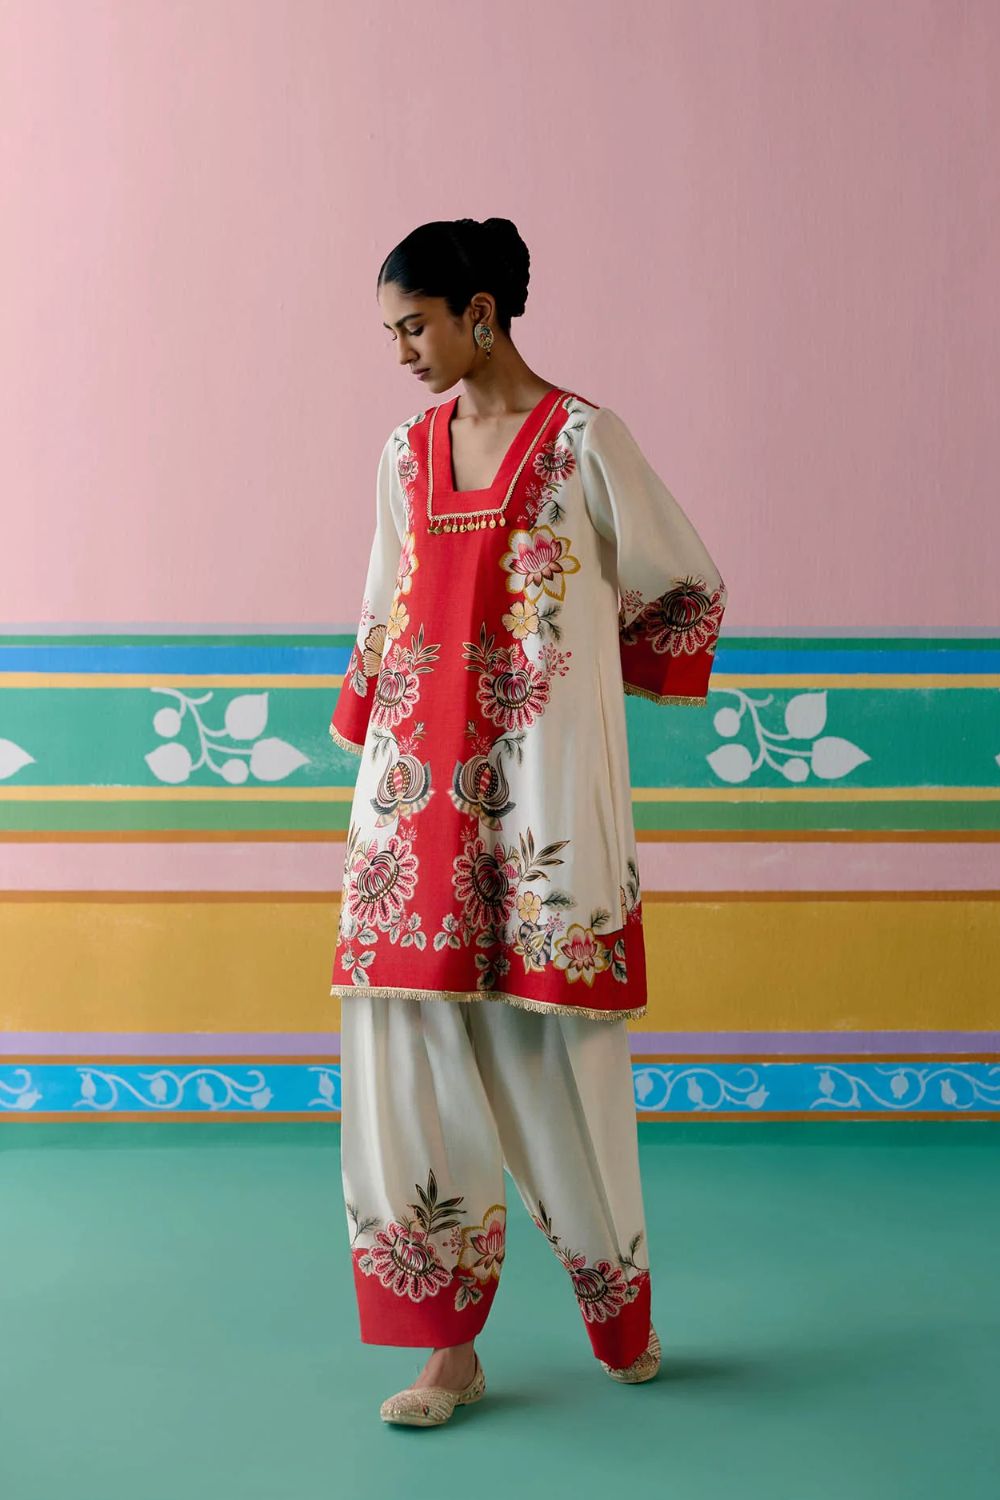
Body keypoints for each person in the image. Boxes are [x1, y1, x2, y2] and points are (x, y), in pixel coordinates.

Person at [328, 217, 728, 1426]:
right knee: (404, 1057)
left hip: (541, 810)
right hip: (409, 805)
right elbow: (383, 609)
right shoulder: (403, 456)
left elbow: (682, 583)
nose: (401, 351)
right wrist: (383, 734)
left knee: (564, 1058)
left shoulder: (584, 442)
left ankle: (619, 1317)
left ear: (480, 313)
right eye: (391, 333)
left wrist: (575, 692)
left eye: (414, 326)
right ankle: (446, 1352)